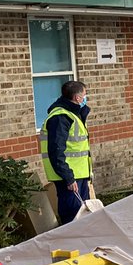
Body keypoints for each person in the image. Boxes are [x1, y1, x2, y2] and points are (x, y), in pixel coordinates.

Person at [40, 80, 92, 226]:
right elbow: (56, 151)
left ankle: (81, 246)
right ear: (77, 98)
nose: (85, 98)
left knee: (83, 216)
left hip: (78, 175)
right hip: (69, 177)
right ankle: (70, 247)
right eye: (84, 95)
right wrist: (68, 178)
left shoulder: (73, 114)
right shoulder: (61, 117)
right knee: (73, 217)